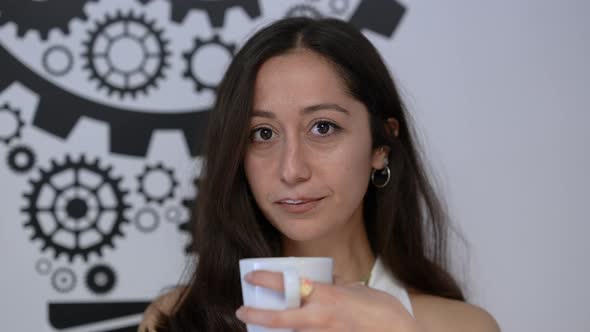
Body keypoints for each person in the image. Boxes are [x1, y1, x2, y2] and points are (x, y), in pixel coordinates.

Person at [140, 17, 500, 332]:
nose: (291, 170)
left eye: (323, 128)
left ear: (380, 147)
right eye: (263, 133)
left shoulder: (461, 326)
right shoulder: (180, 317)